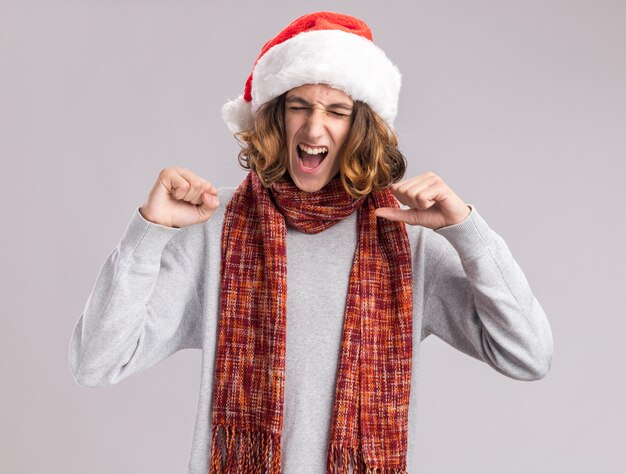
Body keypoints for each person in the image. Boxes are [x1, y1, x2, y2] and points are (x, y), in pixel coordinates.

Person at [69, 11, 554, 474]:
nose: (314, 127)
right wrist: (149, 232)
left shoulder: (406, 240)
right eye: (298, 105)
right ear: (275, 118)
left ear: (360, 127)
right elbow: (95, 361)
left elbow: (528, 355)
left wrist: (467, 232)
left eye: (337, 111)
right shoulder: (214, 232)